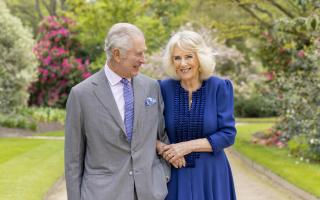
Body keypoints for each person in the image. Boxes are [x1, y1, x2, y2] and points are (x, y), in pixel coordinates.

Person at [65, 23, 171, 200]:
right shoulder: (81, 95)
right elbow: (73, 161)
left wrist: (162, 176)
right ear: (116, 54)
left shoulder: (152, 87)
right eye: (138, 53)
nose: (144, 59)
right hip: (102, 194)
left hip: (149, 192)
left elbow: (161, 135)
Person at [157, 30, 237, 200]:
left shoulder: (220, 87)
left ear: (200, 58)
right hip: (175, 175)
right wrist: (165, 150)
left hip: (212, 176)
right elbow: (146, 130)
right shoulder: (163, 89)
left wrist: (186, 146)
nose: (182, 63)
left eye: (188, 56)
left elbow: (228, 135)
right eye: (177, 58)